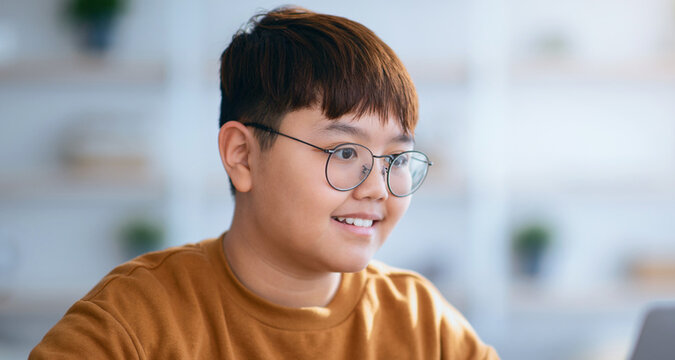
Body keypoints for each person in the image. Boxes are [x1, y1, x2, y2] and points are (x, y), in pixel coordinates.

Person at [30, 6, 499, 359]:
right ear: (242, 156)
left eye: (396, 158)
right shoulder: (135, 322)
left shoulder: (422, 323)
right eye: (345, 152)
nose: (377, 187)